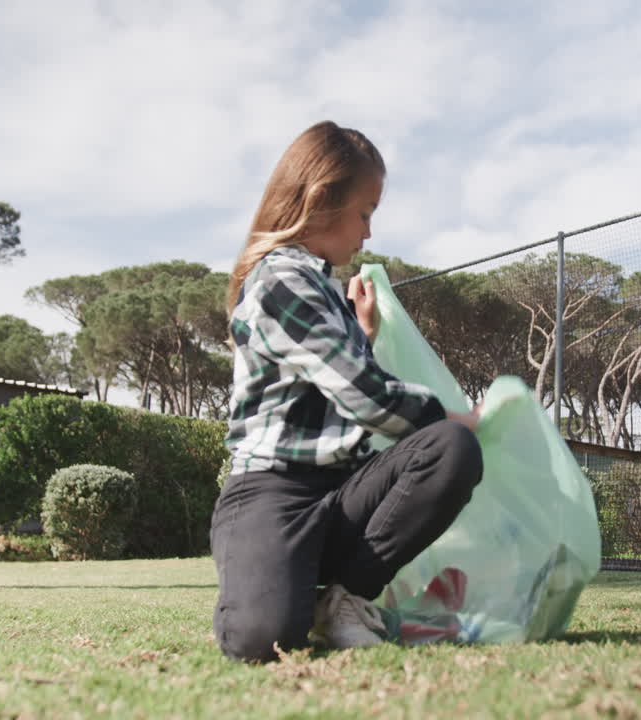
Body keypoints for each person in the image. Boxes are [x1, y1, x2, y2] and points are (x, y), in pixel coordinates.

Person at [211, 121, 484, 663]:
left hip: (339, 491)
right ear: (321, 200)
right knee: (261, 641)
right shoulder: (280, 280)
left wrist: (364, 334)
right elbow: (365, 395)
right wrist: (457, 416)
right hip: (273, 493)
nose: (368, 233)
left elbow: (325, 383)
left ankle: (345, 597)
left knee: (449, 453)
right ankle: (262, 584)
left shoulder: (325, 288)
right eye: (365, 212)